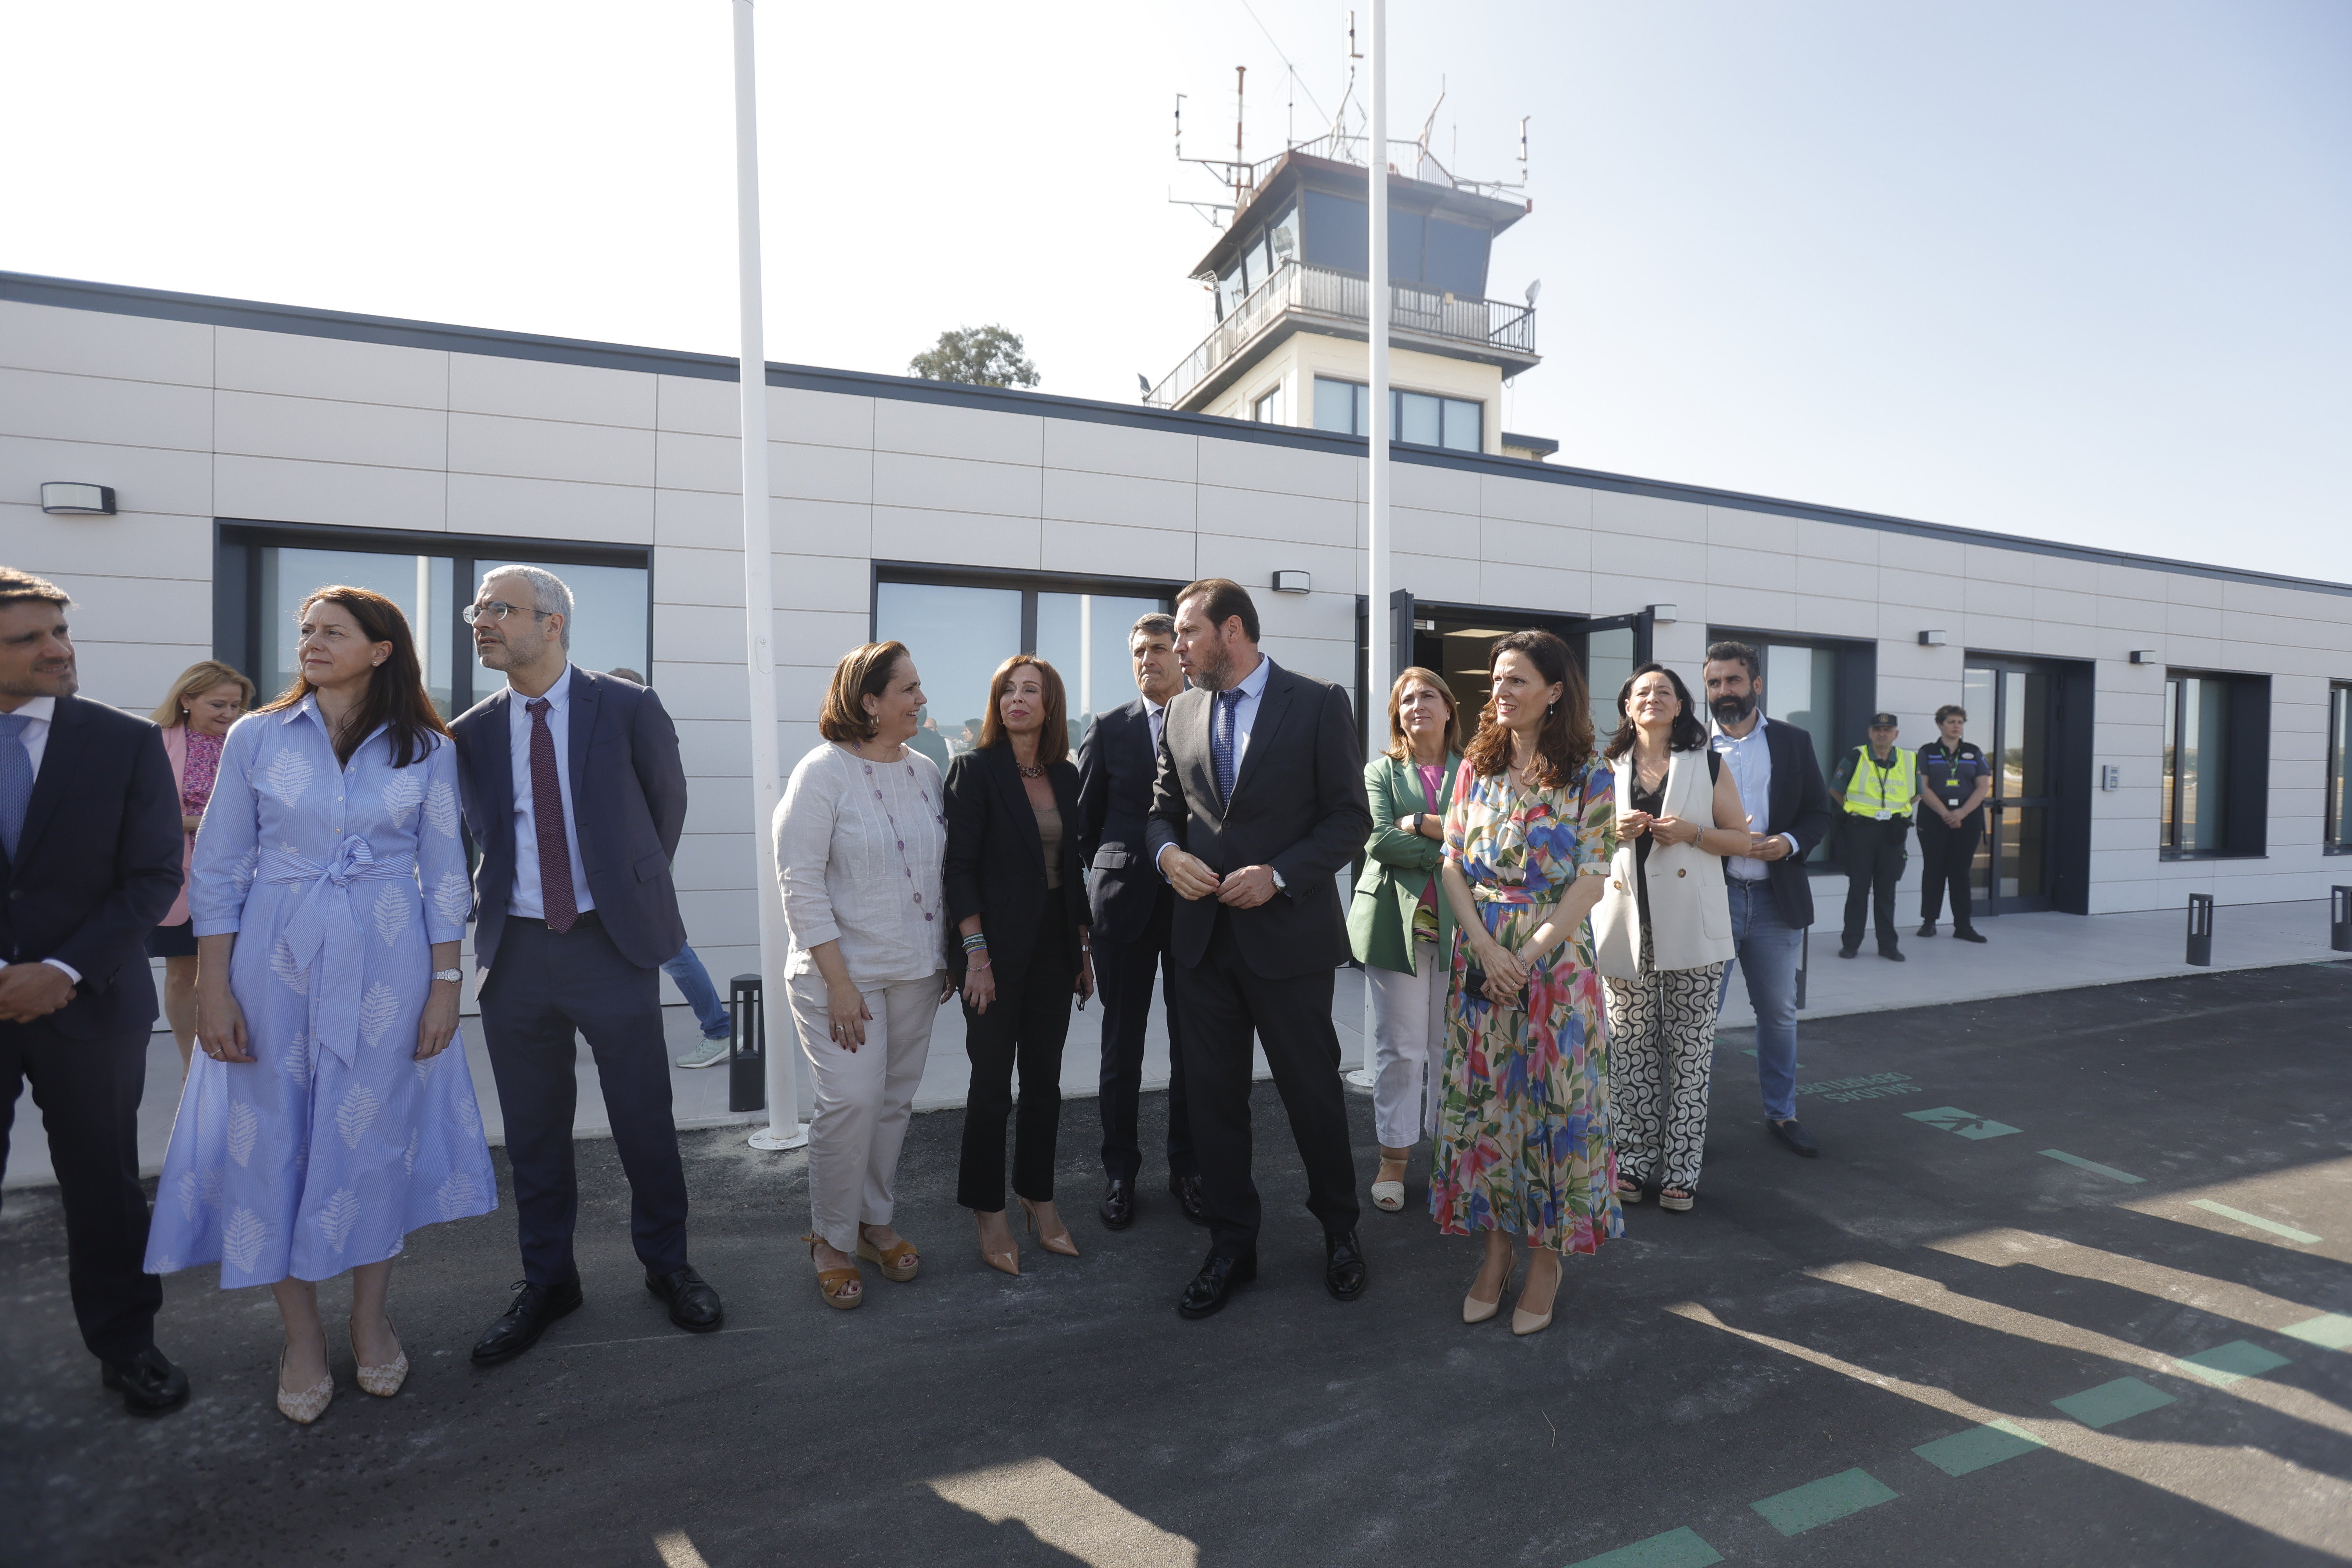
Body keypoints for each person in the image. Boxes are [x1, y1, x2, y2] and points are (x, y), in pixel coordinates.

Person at [148, 585, 496, 1423]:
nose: (310, 642)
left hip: (389, 962)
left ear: (380, 649)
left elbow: (447, 873)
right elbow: (222, 869)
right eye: (305, 629)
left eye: (331, 631)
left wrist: (447, 985)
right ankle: (300, 1335)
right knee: (271, 1142)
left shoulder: (427, 748)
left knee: (371, 1137)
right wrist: (216, 990)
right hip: (273, 961)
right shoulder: (256, 737)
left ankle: (369, 1318)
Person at [451, 565, 721, 1363]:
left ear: (553, 623)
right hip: (518, 951)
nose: (482, 621)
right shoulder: (470, 730)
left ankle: (668, 1266)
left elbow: (665, 805)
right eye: (478, 609)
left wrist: (623, 893)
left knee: (644, 1118)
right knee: (534, 1133)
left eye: (500, 608)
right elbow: (472, 832)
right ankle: (549, 1280)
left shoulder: (627, 704)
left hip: (611, 943)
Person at [1148, 579, 1372, 1319]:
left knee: (1312, 1095)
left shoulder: (1316, 702)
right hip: (1202, 945)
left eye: (1186, 633)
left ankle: (1340, 1232)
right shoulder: (1181, 711)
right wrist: (1166, 857)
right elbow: (1160, 813)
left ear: (1232, 631)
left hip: (1289, 942)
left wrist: (1279, 876)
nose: (1175, 647)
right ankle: (1231, 1245)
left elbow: (1349, 820)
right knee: (1212, 1101)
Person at [0, 567, 191, 1415]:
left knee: (104, 1185)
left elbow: (152, 876)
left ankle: (128, 1345)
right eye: (28, 638)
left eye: (59, 632)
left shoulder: (121, 742)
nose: (57, 650)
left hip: (95, 1002)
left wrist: (62, 970)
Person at [1431, 631, 1619, 1337]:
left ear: (1555, 691)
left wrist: (1529, 956)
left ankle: (1547, 1258)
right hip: (1482, 959)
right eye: (1497, 679)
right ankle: (1496, 1250)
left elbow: (1594, 879)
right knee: (1486, 1109)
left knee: (1552, 1112)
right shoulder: (1474, 767)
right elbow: (1451, 861)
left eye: (1517, 680)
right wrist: (1484, 947)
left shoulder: (1590, 775)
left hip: (1556, 964)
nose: (1501, 692)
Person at [774, 641, 949, 1309]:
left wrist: (949, 957)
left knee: (894, 1102)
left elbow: (939, 872)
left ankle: (874, 1221)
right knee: (850, 1103)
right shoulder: (822, 773)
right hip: (839, 978)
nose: (921, 700)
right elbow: (799, 883)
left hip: (916, 973)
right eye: (909, 689)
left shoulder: (928, 771)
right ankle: (830, 1238)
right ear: (870, 701)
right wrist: (839, 983)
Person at [944, 655, 1093, 1274]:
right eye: (1008, 690)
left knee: (1044, 1085)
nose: (1017, 700)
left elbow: (1071, 870)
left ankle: (1037, 1193)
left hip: (1055, 950)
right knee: (989, 1089)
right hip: (995, 955)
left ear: (1050, 704)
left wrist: (1084, 950)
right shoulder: (973, 771)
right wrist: (975, 956)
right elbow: (959, 870)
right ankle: (988, 1209)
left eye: (1031, 691)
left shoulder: (1064, 772)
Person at [1593, 665, 1742, 1212]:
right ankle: (1630, 1161)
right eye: (1642, 692)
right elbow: (1571, 836)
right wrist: (1612, 830)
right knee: (1629, 1049)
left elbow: (1741, 840)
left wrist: (1691, 834)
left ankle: (1682, 1167)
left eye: (1664, 691)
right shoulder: (1602, 768)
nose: (1653, 698)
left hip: (1692, 930)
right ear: (1627, 707)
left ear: (1680, 705)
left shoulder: (1708, 764)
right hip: (1623, 925)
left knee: (1690, 1050)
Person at [1073, 612, 1202, 1230]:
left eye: (1157, 648)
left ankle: (1187, 1169)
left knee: (1191, 1046)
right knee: (1121, 1050)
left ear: (1181, 656)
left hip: (1192, 909)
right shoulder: (1108, 728)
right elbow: (1084, 826)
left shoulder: (1210, 720)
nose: (1147, 659)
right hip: (1122, 911)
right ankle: (1120, 1172)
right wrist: (1104, 882)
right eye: (1137, 652)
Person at [1703, 640, 1836, 1158]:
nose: (1723, 692)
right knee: (1699, 1015)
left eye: (1733, 681)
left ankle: (1783, 1113)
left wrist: (1790, 842)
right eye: (1714, 683)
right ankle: (1687, 1122)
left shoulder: (1792, 741)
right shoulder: (1690, 747)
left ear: (1756, 684)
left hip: (1777, 900)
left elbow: (1818, 814)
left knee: (1778, 1013)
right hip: (1713, 899)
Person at [1345, 667, 1461, 1214]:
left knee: (1451, 1051)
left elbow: (1489, 838)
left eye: (1428, 696)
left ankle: (1449, 1157)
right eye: (1407, 698)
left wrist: (1418, 824)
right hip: (1399, 929)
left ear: (1447, 708)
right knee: (1400, 1050)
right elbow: (1376, 839)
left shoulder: (1477, 771)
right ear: (1398, 713)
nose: (1417, 705)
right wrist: (1443, 843)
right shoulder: (1380, 772)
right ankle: (1394, 1158)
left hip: (1465, 929)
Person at [604, 669, 737, 1067]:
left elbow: (668, 797)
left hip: (640, 863)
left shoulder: (636, 732)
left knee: (670, 949)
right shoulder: (615, 736)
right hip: (628, 863)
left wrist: (653, 861)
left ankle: (719, 1029)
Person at [145, 660, 255, 1074]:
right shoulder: (154, 742)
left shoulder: (249, 740)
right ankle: (195, 1069)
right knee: (181, 975)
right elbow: (141, 816)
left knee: (239, 970)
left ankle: (236, 1057)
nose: (229, 713)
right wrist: (206, 822)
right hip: (175, 877)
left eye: (235, 704)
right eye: (218, 704)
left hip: (244, 874)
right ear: (187, 699)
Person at [1829, 712, 1918, 962]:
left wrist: (1896, 812)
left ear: (1896, 734)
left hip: (1893, 833)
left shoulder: (1909, 759)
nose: (1883, 733)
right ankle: (1851, 945)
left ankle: (1889, 946)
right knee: (1858, 891)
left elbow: (1917, 793)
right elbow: (1836, 789)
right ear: (1870, 733)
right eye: (1878, 729)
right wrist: (1855, 810)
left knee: (1886, 893)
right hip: (1860, 832)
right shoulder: (1856, 756)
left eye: (1888, 730)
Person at [1917, 704, 1991, 942]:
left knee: (1960, 872)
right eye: (1951, 722)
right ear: (1940, 724)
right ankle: (1929, 922)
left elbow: (1982, 787)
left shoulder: (1973, 751)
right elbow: (1923, 787)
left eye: (1960, 722)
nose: (1956, 727)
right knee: (1934, 869)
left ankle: (1963, 926)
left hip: (1967, 817)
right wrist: (1945, 813)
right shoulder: (1928, 752)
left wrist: (1961, 813)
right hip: (1933, 816)